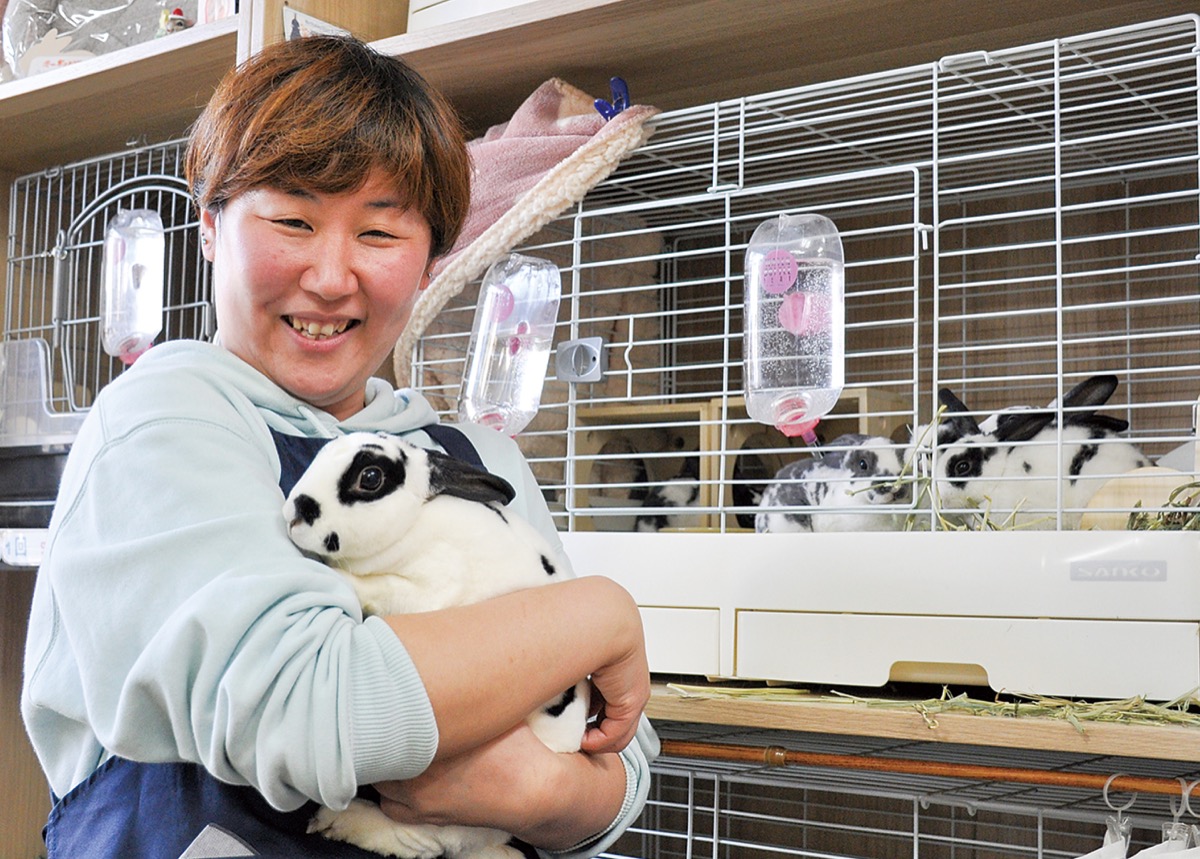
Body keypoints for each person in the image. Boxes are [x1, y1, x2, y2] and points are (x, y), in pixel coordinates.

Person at [21, 35, 657, 859]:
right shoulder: (167, 417)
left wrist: (530, 789)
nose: (330, 276)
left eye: (380, 234)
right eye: (292, 219)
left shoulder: (482, 463)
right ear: (211, 226)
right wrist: (599, 613)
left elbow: (618, 749)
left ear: (431, 256)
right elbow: (308, 709)